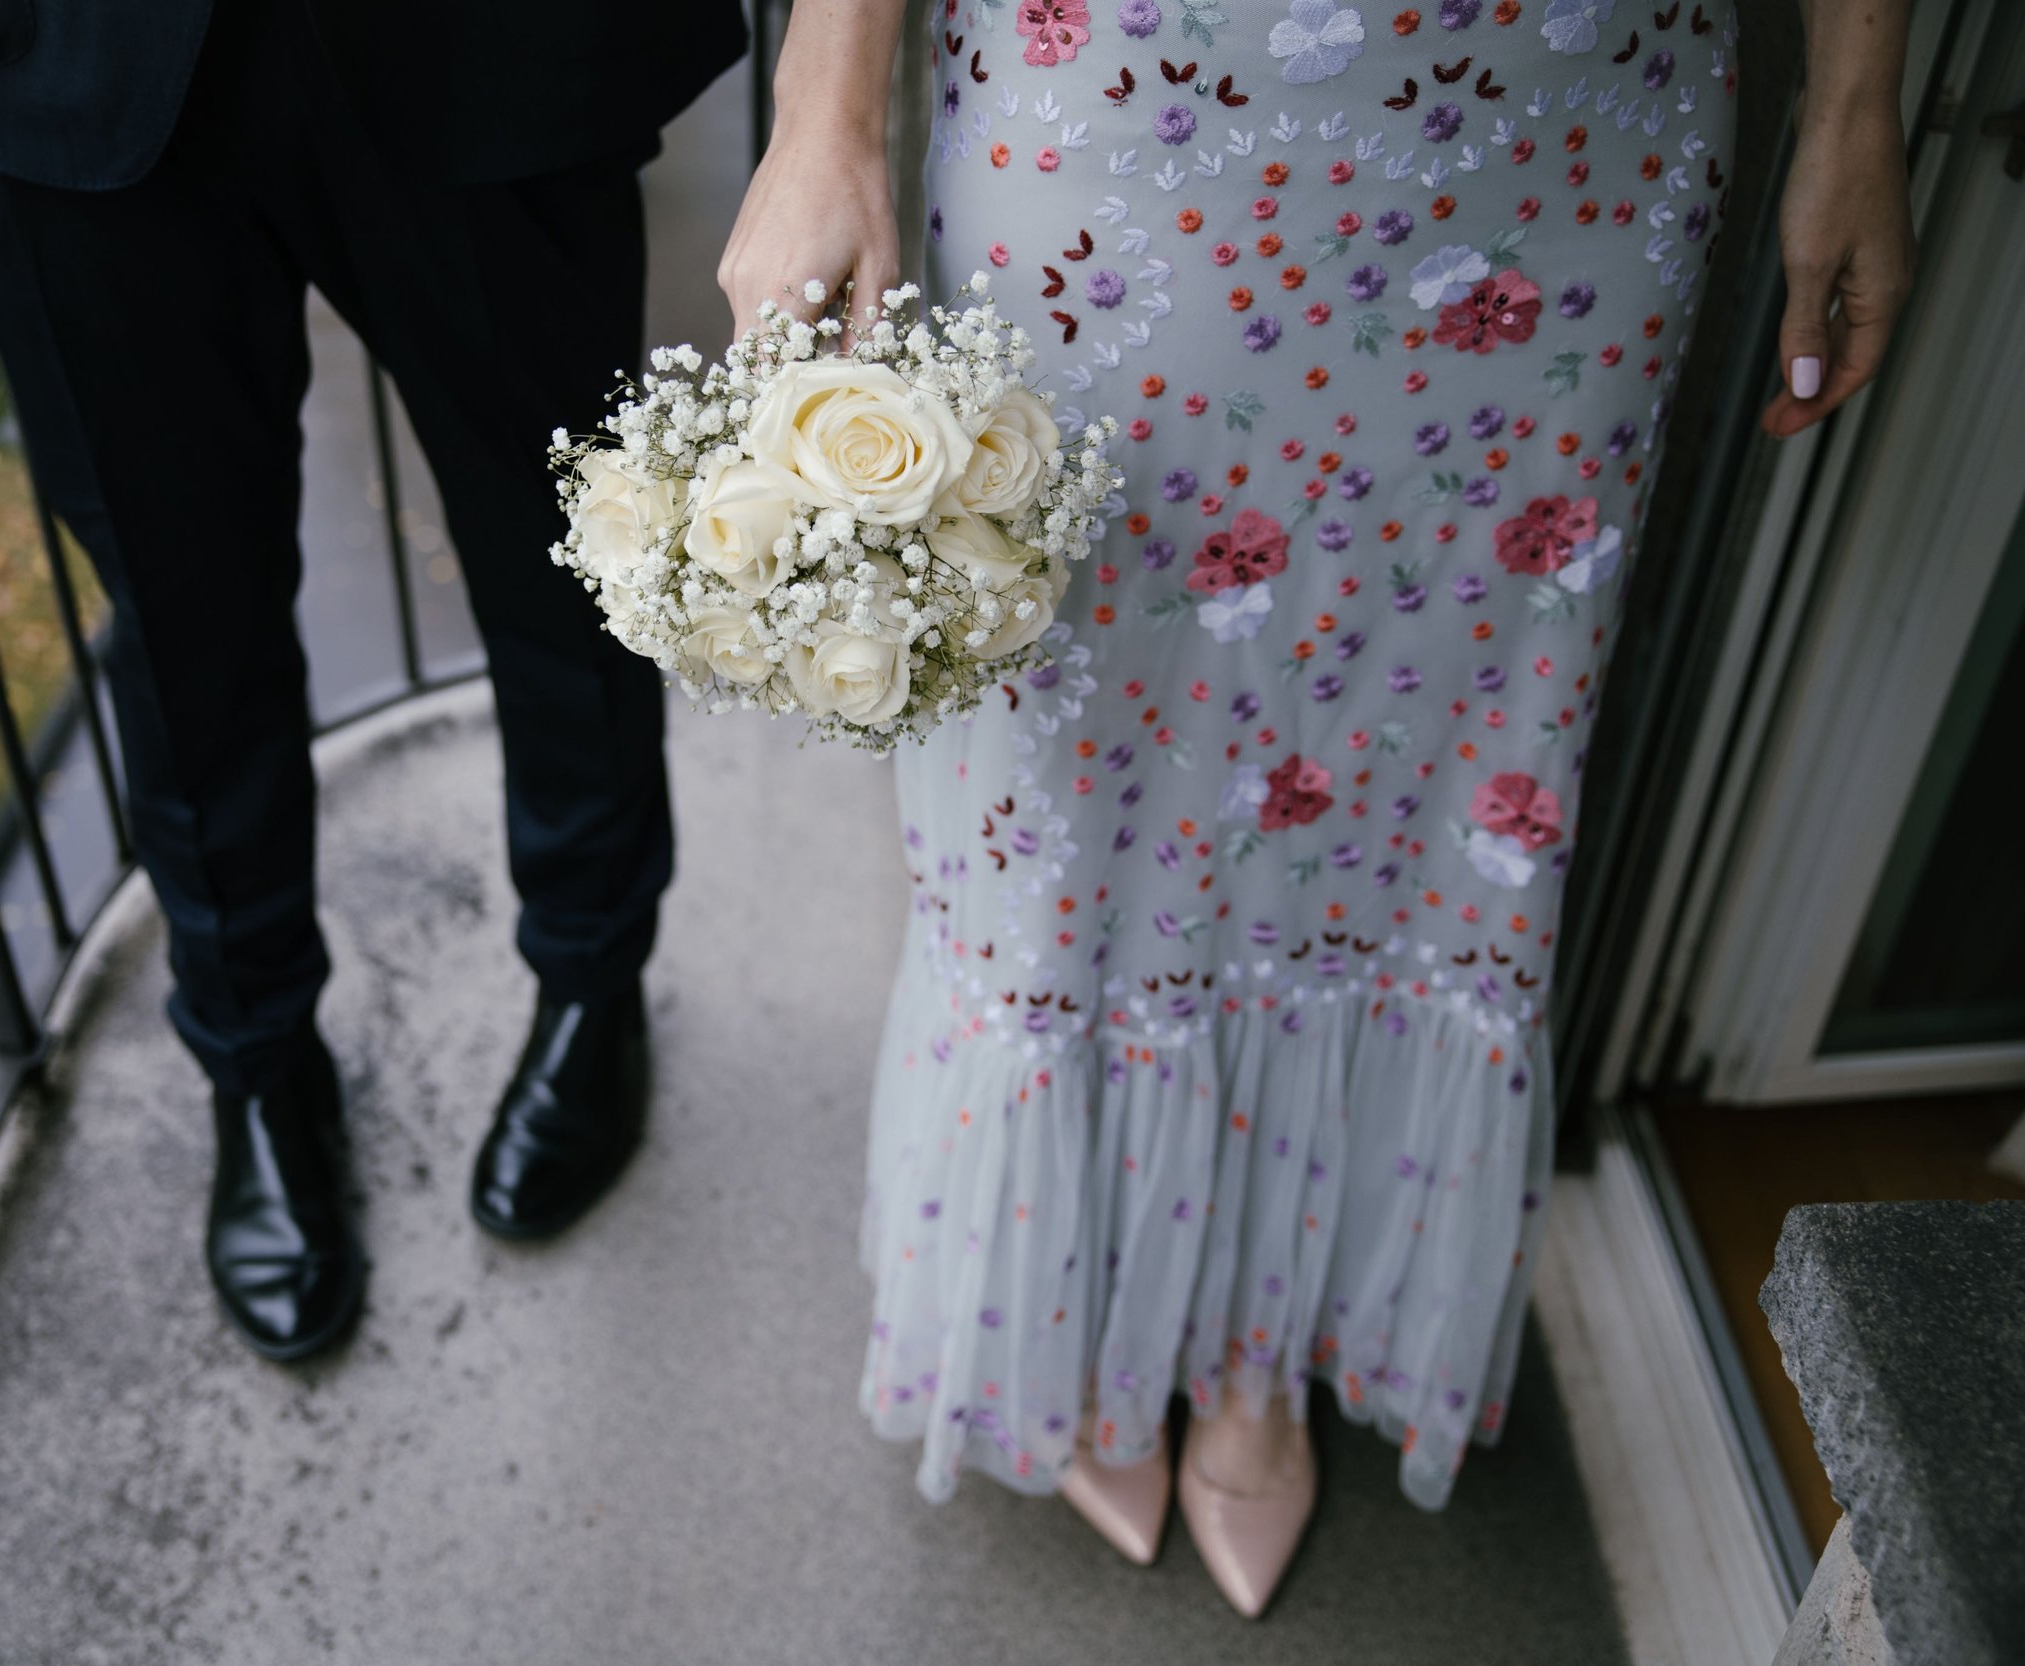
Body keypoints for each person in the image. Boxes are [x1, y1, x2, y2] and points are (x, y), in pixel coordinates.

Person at [721, 0, 1912, 1616]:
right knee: (1081, 722)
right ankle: (1090, 1290)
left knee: (1440, 734)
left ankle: (1265, 1328)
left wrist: (1852, 104)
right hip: (1127, 98)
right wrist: (826, 103)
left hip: (1570, 117)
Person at [0, 0, 746, 1361]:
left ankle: (595, 976)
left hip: (486, 41)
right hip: (62, 53)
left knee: (580, 563)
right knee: (183, 629)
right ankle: (257, 1061)